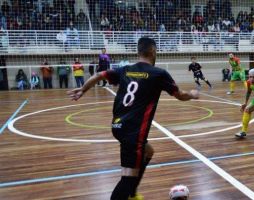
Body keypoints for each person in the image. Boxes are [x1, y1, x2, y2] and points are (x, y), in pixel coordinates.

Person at [67, 37, 199, 200]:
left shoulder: (125, 69)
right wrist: (192, 94)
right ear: (153, 51)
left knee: (148, 151)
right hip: (133, 132)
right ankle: (129, 192)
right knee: (128, 177)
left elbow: (100, 75)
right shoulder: (159, 74)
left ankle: (132, 192)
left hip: (117, 126)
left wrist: (83, 89)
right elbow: (180, 95)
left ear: (138, 52)